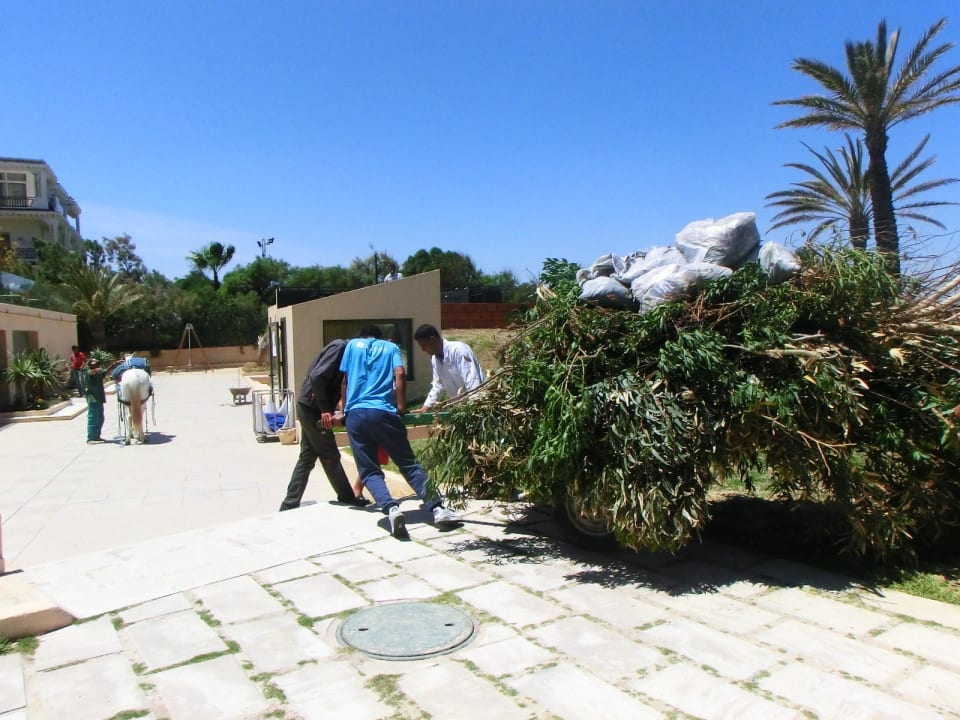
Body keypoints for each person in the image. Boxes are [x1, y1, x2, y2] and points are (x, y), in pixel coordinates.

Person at [340, 325, 460, 538]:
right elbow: (400, 373)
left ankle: (391, 509)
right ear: (380, 337)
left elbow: (345, 381)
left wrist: (345, 410)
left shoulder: (351, 346)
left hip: (356, 416)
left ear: (363, 336)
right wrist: (402, 407)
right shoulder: (391, 348)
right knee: (409, 464)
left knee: (369, 471)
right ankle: (437, 509)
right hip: (384, 414)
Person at [279, 339, 369, 511]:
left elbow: (340, 385)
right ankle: (347, 497)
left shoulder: (347, 353)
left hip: (310, 408)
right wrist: (325, 409)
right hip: (313, 410)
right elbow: (317, 377)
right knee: (330, 455)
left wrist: (341, 409)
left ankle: (289, 504)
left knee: (307, 457)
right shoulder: (340, 348)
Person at [412, 324, 485, 413]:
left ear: (433, 340)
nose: (422, 349)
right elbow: (438, 385)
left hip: (477, 405)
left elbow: (472, 379)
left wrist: (475, 406)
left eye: (423, 345)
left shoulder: (459, 350)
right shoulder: (435, 359)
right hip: (461, 408)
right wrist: (426, 406)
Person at [84, 358, 108, 444]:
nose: (97, 367)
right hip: (93, 398)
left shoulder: (98, 373)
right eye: (94, 365)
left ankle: (97, 436)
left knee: (100, 418)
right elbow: (93, 372)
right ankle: (91, 438)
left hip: (99, 398)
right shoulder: (89, 373)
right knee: (93, 418)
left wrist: (114, 365)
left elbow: (105, 372)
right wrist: (99, 369)